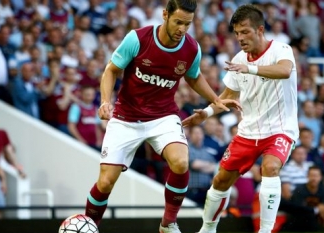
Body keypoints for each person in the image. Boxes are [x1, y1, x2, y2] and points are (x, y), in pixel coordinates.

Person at [84, 1, 238, 233]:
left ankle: (168, 223)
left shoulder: (191, 48)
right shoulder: (137, 39)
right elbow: (111, 70)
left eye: (187, 24)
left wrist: (214, 99)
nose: (182, 29)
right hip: (126, 117)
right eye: (178, 22)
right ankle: (88, 226)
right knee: (105, 182)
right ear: (165, 15)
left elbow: (193, 77)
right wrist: (105, 101)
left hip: (163, 116)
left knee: (181, 162)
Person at [182, 4, 299, 233]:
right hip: (247, 132)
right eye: (237, 33)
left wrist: (250, 69)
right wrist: (205, 113)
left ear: (260, 30)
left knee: (271, 167)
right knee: (220, 180)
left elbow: (284, 71)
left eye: (245, 31)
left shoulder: (281, 50)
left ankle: (265, 231)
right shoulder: (237, 59)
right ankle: (207, 229)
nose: (240, 37)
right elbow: (227, 97)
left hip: (280, 129)